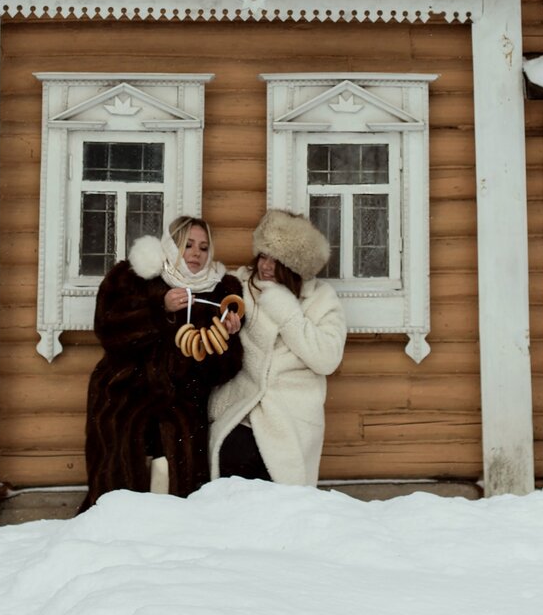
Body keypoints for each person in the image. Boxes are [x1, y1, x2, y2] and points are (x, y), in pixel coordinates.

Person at [81, 216, 243, 510]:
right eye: (188, 245)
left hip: (182, 401)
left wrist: (227, 337)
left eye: (204, 248)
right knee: (121, 476)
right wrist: (159, 310)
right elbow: (108, 329)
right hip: (125, 390)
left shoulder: (220, 292)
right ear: (171, 246)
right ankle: (111, 529)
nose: (196, 254)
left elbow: (223, 371)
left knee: (174, 484)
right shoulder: (132, 278)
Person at [209, 209, 347, 487]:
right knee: (232, 472)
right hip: (242, 409)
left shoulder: (321, 299)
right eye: (263, 256)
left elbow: (327, 359)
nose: (266, 267)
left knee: (280, 500)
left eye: (277, 260)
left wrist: (288, 314)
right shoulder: (242, 286)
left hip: (290, 416)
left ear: (295, 265)